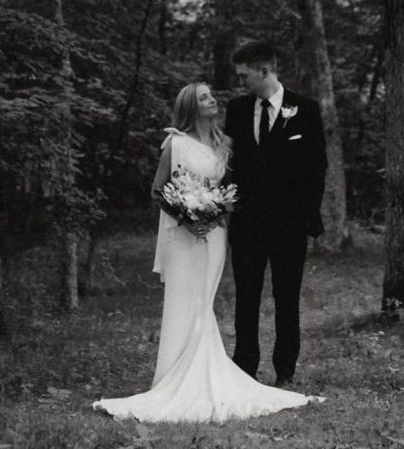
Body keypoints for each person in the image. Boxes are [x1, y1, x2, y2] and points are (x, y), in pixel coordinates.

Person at [92, 82, 321, 424]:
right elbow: (159, 190)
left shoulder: (223, 142)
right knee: (188, 300)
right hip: (187, 235)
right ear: (190, 107)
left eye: (212, 95)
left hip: (215, 234)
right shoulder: (175, 143)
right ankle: (176, 375)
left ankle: (211, 366)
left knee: (206, 300)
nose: (213, 100)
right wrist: (187, 216)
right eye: (205, 98)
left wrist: (217, 211)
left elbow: (236, 183)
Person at [224, 41, 328, 388]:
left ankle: (285, 369)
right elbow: (229, 164)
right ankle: (244, 367)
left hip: (289, 224)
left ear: (264, 71)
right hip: (247, 224)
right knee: (246, 297)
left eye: (244, 75)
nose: (241, 83)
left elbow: (317, 168)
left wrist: (309, 217)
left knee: (287, 297)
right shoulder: (237, 109)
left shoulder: (305, 109)